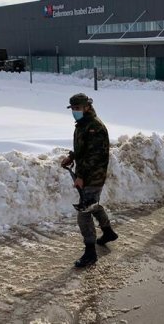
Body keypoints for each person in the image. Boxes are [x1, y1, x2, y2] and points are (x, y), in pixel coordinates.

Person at [61, 93, 117, 268]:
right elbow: (83, 148)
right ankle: (108, 232)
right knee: (91, 204)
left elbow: (94, 156)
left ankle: (90, 253)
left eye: (78, 108)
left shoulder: (95, 127)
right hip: (88, 173)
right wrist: (72, 157)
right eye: (73, 109)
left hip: (93, 175)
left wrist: (81, 176)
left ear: (87, 107)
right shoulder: (83, 124)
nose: (75, 112)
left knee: (84, 214)